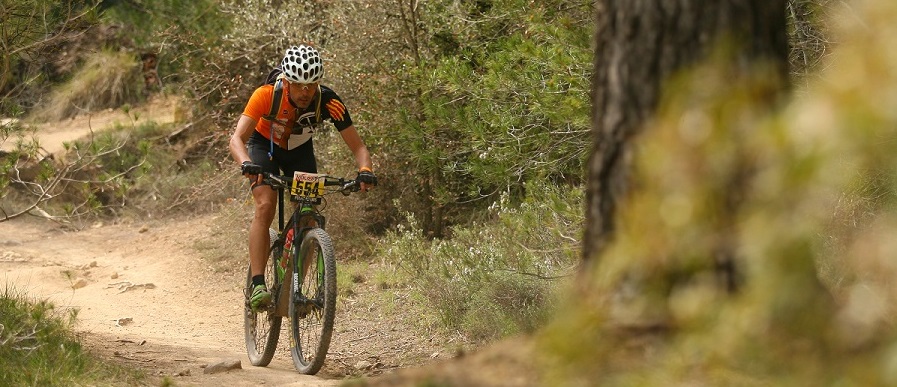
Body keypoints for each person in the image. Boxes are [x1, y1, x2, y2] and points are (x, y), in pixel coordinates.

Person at [229, 44, 377, 310]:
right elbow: (236, 139)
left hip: (299, 151)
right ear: (286, 81)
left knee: (308, 214)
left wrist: (365, 170)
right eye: (299, 85)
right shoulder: (265, 95)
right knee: (265, 204)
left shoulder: (328, 101)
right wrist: (247, 163)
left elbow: (359, 147)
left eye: (311, 85)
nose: (306, 92)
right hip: (265, 148)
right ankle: (259, 283)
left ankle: (293, 289)